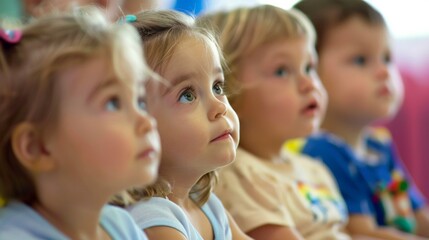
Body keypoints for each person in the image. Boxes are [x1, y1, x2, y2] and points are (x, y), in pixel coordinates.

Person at [196, 4, 357, 240]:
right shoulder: (241, 176)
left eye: (309, 67)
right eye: (282, 71)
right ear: (229, 93)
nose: (309, 83)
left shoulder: (315, 169)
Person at [0, 7, 160, 239]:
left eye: (140, 101)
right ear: (37, 147)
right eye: (113, 103)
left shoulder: (122, 227)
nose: (147, 121)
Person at [294, 0, 429, 239]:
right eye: (360, 60)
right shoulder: (322, 153)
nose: (384, 71)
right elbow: (363, 234)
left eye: (387, 58)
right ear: (310, 73)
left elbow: (419, 216)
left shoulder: (379, 146)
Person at [115, 10, 252, 240]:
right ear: (138, 125)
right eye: (187, 95)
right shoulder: (152, 219)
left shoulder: (208, 207)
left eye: (217, 86)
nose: (220, 107)